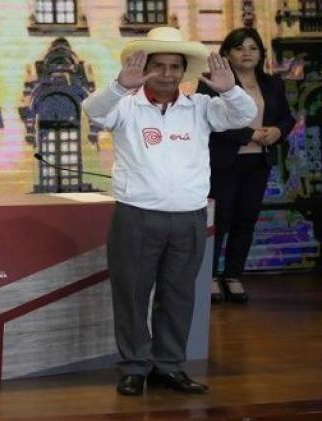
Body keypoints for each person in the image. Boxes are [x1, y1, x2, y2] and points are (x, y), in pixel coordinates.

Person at [82, 27, 257, 396]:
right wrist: (118, 85)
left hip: (189, 217)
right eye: (157, 66)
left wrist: (228, 89)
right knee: (131, 296)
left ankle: (169, 366)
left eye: (173, 67)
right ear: (143, 68)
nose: (166, 73)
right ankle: (133, 368)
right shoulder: (125, 106)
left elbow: (245, 116)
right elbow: (93, 113)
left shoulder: (202, 107)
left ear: (184, 71)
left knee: (178, 296)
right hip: (136, 215)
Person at [197, 28, 295, 304]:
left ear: (261, 53)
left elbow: (287, 117)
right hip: (225, 162)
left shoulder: (272, 83)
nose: (247, 53)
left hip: (258, 161)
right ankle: (210, 277)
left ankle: (233, 275)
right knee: (221, 220)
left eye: (253, 48)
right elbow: (207, 120)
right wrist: (248, 134)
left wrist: (277, 131)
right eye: (240, 48)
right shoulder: (211, 82)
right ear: (227, 53)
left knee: (246, 220)